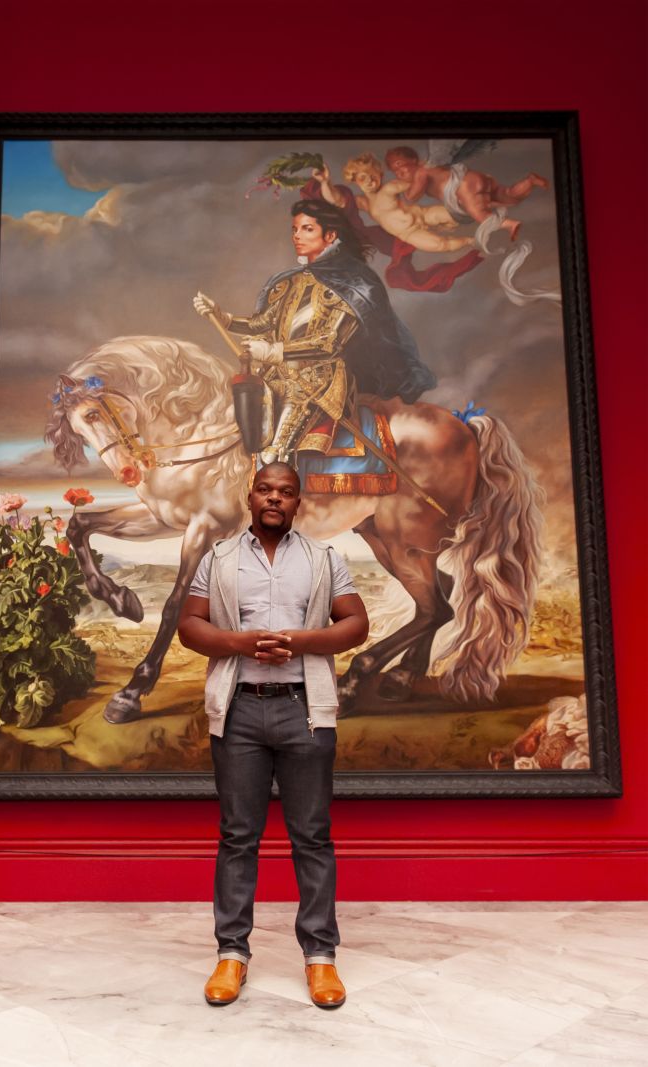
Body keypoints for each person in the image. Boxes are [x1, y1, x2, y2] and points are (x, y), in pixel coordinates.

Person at [177, 461, 369, 1009]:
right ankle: (231, 955)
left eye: (286, 492)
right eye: (266, 489)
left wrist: (301, 641)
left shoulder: (325, 558)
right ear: (251, 494)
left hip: (304, 710)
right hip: (239, 712)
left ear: (298, 502)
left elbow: (356, 623)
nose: (275, 499)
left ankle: (321, 959)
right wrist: (240, 644)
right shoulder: (218, 559)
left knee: (312, 835)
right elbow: (191, 625)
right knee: (239, 835)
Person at [193, 198, 435, 465]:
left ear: (330, 235)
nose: (297, 236)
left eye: (307, 229)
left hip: (317, 381)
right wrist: (223, 317)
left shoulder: (355, 283)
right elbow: (262, 323)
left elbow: (330, 343)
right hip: (276, 376)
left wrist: (274, 351)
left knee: (272, 456)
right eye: (295, 229)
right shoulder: (293, 280)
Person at [385, 145, 548, 242]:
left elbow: (412, 197)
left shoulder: (421, 172)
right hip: (474, 179)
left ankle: (509, 224)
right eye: (395, 171)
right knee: (509, 196)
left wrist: (403, 189)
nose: (399, 172)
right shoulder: (431, 165)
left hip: (464, 186)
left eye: (400, 165)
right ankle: (530, 181)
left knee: (479, 214)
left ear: (413, 159)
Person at [335, 153, 475, 253]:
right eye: (362, 178)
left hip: (423, 214)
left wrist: (425, 170)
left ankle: (489, 214)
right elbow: (337, 200)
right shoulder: (362, 202)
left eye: (373, 175)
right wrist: (324, 182)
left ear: (380, 174)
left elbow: (418, 182)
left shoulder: (390, 187)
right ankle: (471, 241)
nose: (369, 181)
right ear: (354, 181)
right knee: (440, 245)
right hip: (409, 233)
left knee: (455, 211)